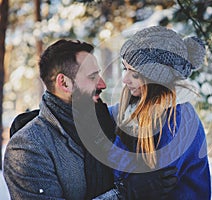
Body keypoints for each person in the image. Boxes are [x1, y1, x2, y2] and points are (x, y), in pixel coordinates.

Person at [4, 39, 178, 200]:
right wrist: (125, 193)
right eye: (92, 77)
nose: (103, 84)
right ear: (64, 83)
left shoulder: (108, 123)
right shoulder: (28, 148)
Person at [105, 26, 211, 199]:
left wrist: (122, 141)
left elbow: (148, 180)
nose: (124, 79)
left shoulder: (177, 119)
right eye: (125, 69)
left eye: (135, 74)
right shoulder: (139, 106)